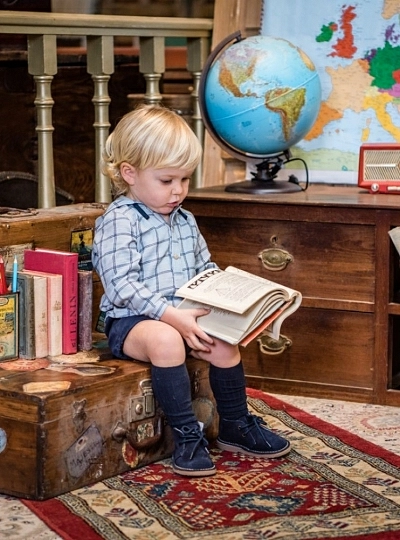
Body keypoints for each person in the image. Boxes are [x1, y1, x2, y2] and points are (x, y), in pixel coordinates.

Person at [92, 104, 291, 477]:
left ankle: (235, 424)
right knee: (167, 341)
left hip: (184, 313)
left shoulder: (185, 220)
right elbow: (121, 286)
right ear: (129, 173)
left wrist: (234, 299)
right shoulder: (119, 220)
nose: (178, 191)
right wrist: (171, 316)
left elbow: (204, 269)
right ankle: (187, 436)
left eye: (185, 180)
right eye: (166, 181)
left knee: (224, 343)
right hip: (132, 321)